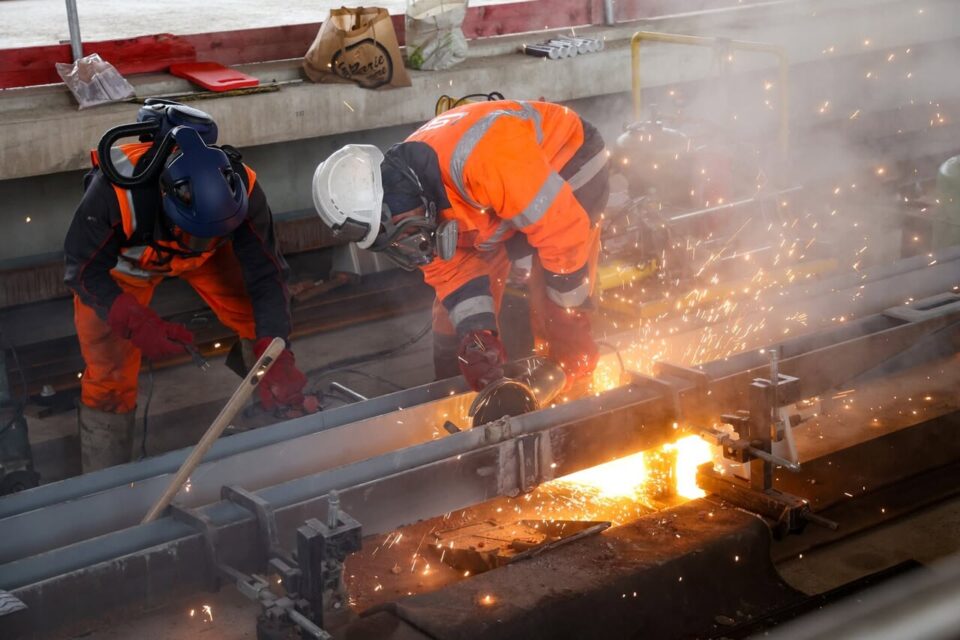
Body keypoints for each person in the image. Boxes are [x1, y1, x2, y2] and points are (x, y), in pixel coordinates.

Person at [65, 100, 307, 472]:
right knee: (109, 374)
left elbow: (266, 274)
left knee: (259, 324)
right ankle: (105, 482)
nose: (197, 242)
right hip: (124, 270)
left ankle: (276, 415)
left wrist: (276, 349)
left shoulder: (243, 187)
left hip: (207, 261)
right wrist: (135, 321)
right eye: (192, 234)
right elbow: (82, 270)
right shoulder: (116, 191)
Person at [312, 99, 609, 391]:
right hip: (497, 198)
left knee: (553, 303)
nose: (409, 243)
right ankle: (453, 390)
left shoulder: (484, 157)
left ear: (393, 202)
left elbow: (562, 231)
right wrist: (476, 340)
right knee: (453, 320)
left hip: (568, 162)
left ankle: (570, 382)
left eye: (404, 232)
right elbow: (454, 275)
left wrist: (567, 318)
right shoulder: (413, 201)